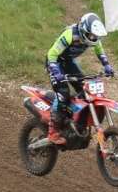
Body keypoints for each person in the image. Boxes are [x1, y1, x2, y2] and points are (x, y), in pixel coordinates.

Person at [44, 13, 114, 145]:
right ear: (83, 29)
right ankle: (53, 132)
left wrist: (107, 65)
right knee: (63, 93)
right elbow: (52, 54)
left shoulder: (94, 39)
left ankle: (76, 123)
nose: (93, 38)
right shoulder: (70, 35)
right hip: (55, 63)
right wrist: (56, 72)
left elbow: (100, 51)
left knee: (85, 91)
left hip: (68, 62)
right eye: (91, 35)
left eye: (95, 36)